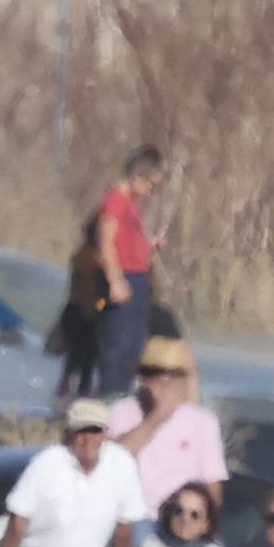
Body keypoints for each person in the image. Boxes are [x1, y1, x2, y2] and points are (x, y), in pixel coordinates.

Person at [0, 399, 149, 547]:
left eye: (94, 431)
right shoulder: (46, 463)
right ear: (69, 434)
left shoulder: (122, 463)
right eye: (80, 431)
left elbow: (125, 528)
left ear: (106, 434)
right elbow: (17, 522)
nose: (87, 439)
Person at [111, 337, 228, 514]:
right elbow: (113, 459)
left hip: (181, 517)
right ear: (143, 378)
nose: (164, 381)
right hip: (137, 514)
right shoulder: (121, 411)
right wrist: (158, 416)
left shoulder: (203, 421)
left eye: (174, 374)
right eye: (155, 373)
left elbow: (213, 487)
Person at [90, 146, 166, 397]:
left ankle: (124, 397)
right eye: (150, 185)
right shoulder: (115, 201)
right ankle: (111, 397)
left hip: (138, 277)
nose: (150, 192)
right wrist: (115, 281)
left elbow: (129, 241)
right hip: (124, 277)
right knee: (118, 345)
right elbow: (106, 242)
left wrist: (150, 244)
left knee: (135, 345)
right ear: (137, 177)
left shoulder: (132, 205)